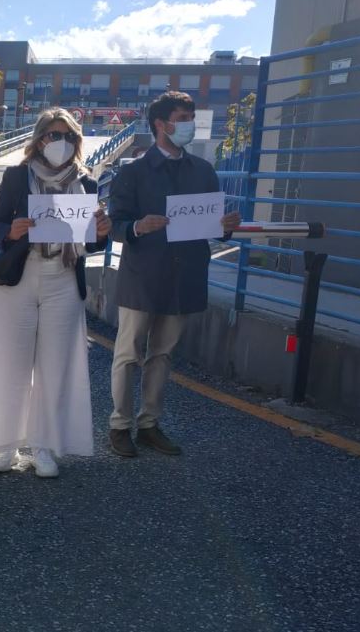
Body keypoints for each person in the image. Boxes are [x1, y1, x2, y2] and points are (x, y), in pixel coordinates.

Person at [0, 108, 111, 477]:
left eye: (68, 136)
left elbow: (90, 242)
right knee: (10, 361)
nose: (61, 142)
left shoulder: (87, 183)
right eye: (53, 135)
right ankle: (6, 443)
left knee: (55, 366)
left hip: (64, 279)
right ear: (39, 139)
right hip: (21, 274)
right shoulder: (17, 176)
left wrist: (101, 234)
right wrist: (10, 231)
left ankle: (43, 445)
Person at [106, 91, 240, 457]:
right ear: (160, 124)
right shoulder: (133, 172)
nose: (189, 125)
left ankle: (149, 423)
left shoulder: (203, 171)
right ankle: (120, 425)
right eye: (182, 118)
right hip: (143, 275)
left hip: (185, 275)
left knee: (162, 355)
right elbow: (114, 225)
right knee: (128, 354)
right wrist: (137, 227)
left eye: (191, 118)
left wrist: (225, 227)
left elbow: (211, 225)